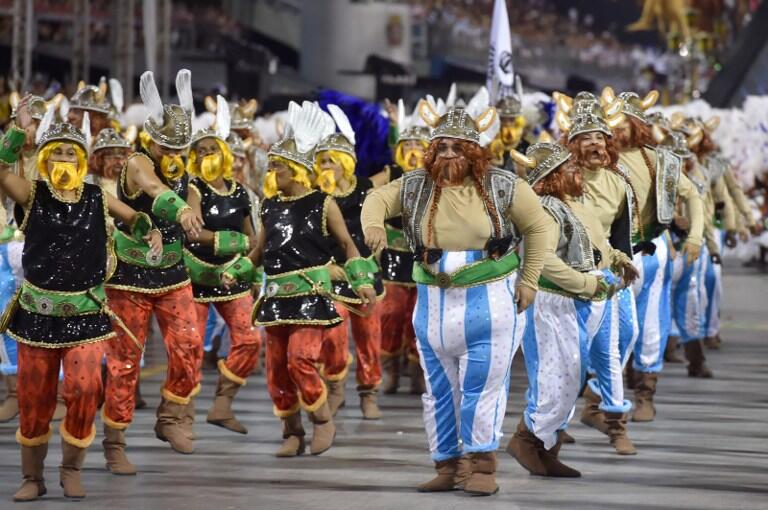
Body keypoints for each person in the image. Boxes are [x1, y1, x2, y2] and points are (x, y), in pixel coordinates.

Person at [362, 102, 553, 496]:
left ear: (475, 151)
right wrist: (373, 224)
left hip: (492, 305)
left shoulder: (504, 185)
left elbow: (540, 227)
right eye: (442, 146)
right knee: (438, 393)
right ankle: (448, 464)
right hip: (431, 307)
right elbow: (377, 199)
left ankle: (482, 465)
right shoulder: (416, 185)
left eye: (458, 147)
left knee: (481, 389)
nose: (449, 154)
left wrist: (530, 279)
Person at [0, 97, 161, 501]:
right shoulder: (32, 194)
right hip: (38, 314)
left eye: (73, 153)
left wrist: (150, 230)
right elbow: (2, 169)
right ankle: (32, 478)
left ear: (83, 160)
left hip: (87, 312)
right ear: (48, 158)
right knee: (35, 397)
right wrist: (18, 130)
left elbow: (135, 219)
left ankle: (71, 467)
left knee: (87, 388)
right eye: (59, 153)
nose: (66, 159)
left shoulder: (97, 198)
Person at [225, 101, 376, 457]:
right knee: (276, 371)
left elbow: (347, 245)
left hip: (311, 297)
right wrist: (237, 271)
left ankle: (323, 420)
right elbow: (258, 252)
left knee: (300, 359)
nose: (271, 171)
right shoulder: (270, 206)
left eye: (277, 166)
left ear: (294, 170)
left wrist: (362, 281)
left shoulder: (323, 203)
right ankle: (292, 431)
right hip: (276, 299)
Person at [506, 141, 638, 477]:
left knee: (571, 378)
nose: (575, 170)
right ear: (551, 176)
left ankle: (547, 448)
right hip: (556, 304)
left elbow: (599, 243)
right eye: (567, 168)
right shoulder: (546, 209)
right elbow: (543, 260)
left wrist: (619, 259)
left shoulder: (575, 201)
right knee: (558, 381)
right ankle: (526, 439)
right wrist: (585, 285)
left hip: (581, 302)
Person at [102, 70, 204, 468]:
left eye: (179, 150)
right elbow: (153, 189)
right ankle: (115, 443)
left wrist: (192, 214)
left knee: (190, 346)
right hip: (129, 278)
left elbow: (188, 199)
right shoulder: (138, 162)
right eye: (167, 149)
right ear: (151, 140)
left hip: (173, 275)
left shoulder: (183, 172)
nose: (173, 157)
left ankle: (170, 416)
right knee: (125, 361)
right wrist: (178, 210)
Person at [603, 88, 704, 422]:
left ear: (637, 124)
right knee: (608, 329)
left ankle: (645, 392)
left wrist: (696, 236)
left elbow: (693, 197)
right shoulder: (598, 158)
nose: (617, 130)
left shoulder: (661, 160)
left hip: (651, 250)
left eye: (623, 123)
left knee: (650, 325)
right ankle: (600, 399)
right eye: (612, 123)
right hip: (609, 255)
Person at [184, 96, 261, 434]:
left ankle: (222, 405)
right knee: (188, 347)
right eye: (199, 151)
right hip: (196, 276)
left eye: (211, 150)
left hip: (233, 277)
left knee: (250, 340)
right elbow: (194, 230)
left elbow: (253, 237)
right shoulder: (193, 188)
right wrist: (236, 242)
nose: (206, 156)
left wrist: (246, 265)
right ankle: (179, 418)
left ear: (226, 155)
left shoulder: (242, 192)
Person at [314, 105, 386, 419]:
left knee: (369, 337)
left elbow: (393, 176)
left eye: (331, 160)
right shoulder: (314, 196)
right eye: (321, 161)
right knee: (333, 336)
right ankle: (336, 388)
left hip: (365, 276)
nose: (326, 166)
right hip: (331, 275)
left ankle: (369, 393)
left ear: (345, 163)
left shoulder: (366, 190)